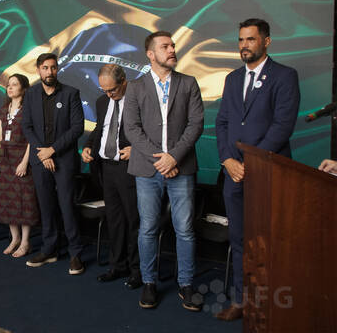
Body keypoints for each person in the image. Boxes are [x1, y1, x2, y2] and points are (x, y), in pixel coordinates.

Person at [215, 18, 300, 321]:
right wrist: (227, 160)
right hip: (233, 174)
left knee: (269, 240)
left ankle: (271, 304)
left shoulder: (284, 76)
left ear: (266, 41)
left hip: (267, 173)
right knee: (239, 239)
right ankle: (242, 302)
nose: (244, 45)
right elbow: (222, 122)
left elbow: (282, 126)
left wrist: (251, 162)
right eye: (241, 40)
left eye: (250, 39)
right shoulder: (233, 78)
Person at [123, 31, 204, 311]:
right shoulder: (135, 87)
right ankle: (149, 283)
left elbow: (196, 124)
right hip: (148, 170)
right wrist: (160, 159)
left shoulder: (189, 83)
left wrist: (174, 158)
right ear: (150, 54)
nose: (171, 50)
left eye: (172, 45)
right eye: (165, 46)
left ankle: (186, 284)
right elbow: (132, 128)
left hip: (182, 167)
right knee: (147, 229)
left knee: (185, 230)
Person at [22, 53, 85, 275]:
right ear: (38, 70)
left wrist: (53, 150)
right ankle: (49, 249)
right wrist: (43, 153)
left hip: (64, 159)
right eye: (45, 68)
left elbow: (77, 128)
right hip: (41, 160)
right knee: (46, 206)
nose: (50, 72)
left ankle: (75, 253)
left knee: (67, 206)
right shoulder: (30, 94)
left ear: (57, 69)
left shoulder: (70, 93)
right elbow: (27, 126)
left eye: (53, 67)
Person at [82, 64, 142, 288]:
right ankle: (118, 266)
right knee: (114, 220)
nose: (108, 94)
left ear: (123, 82)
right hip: (106, 168)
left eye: (112, 90)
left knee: (133, 220)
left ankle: (137, 270)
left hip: (129, 168)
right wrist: (88, 146)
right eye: (104, 90)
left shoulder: (138, 100)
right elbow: (100, 129)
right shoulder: (102, 101)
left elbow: (151, 132)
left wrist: (137, 150)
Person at [0, 74, 39, 258]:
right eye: (8, 85)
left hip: (22, 158)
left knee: (24, 200)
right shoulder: (4, 109)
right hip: (5, 159)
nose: (9, 88)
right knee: (7, 200)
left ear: (24, 88)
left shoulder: (29, 109)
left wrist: (25, 162)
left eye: (14, 84)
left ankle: (25, 242)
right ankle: (15, 238)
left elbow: (32, 139)